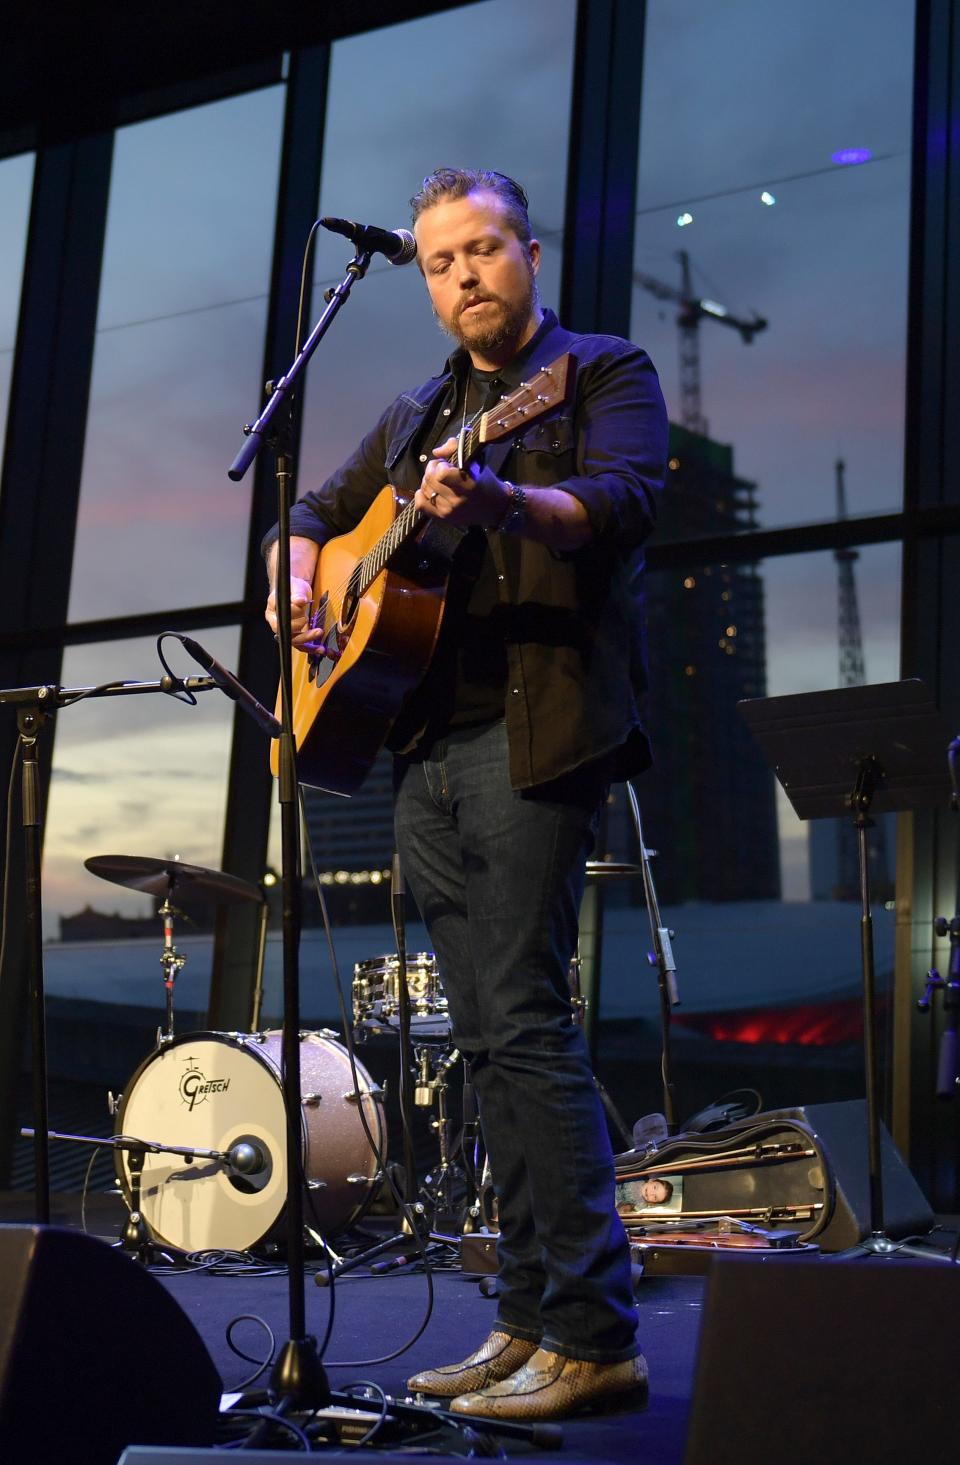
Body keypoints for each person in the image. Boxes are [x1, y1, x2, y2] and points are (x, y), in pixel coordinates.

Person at [264, 167, 668, 1422]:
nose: (462, 277)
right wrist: (302, 584)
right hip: (423, 747)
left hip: (536, 738)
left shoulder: (598, 372)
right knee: (484, 1043)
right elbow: (313, 511)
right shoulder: (418, 408)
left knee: (528, 1028)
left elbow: (619, 504)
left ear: (528, 254)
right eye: (440, 263)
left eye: (483, 251)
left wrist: (499, 498)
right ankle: (525, 1319)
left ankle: (597, 1336)